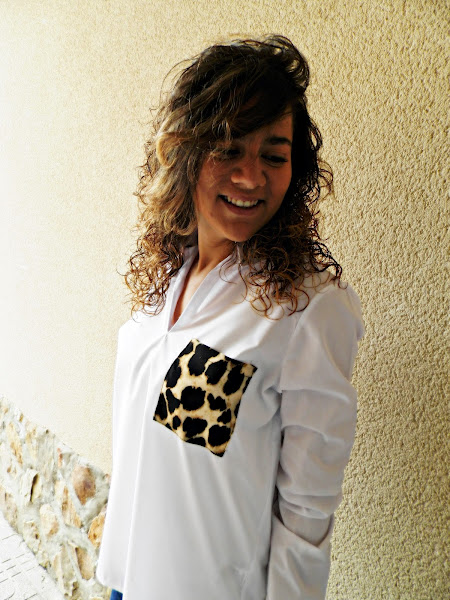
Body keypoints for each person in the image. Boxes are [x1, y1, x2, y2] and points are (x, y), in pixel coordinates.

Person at [96, 35, 364, 600]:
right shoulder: (166, 281)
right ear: (185, 150)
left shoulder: (305, 307)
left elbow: (307, 512)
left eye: (274, 155)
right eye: (228, 148)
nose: (251, 177)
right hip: (126, 578)